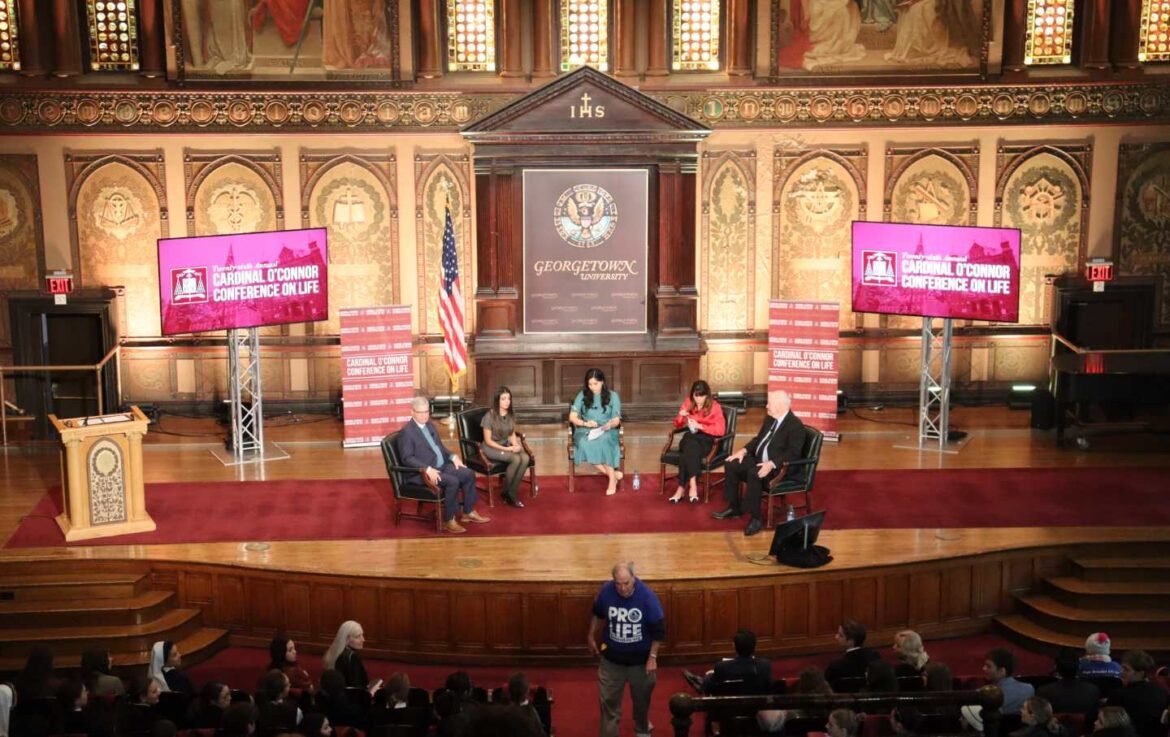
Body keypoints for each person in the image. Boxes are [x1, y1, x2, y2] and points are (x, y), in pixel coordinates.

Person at [712, 389, 805, 537]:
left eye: (769, 403)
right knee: (731, 463)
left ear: (780, 405)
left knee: (754, 473)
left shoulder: (795, 426)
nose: (766, 406)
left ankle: (756, 519)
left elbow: (793, 453)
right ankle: (734, 507)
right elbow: (758, 440)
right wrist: (743, 451)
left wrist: (772, 463)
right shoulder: (770, 418)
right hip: (759, 459)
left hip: (779, 468)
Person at [587, 561, 665, 737]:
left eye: (626, 583)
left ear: (634, 578)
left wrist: (652, 657)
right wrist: (590, 636)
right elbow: (597, 613)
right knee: (608, 704)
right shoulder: (606, 591)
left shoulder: (647, 597)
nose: (622, 588)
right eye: (618, 584)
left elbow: (659, 630)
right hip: (611, 661)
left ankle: (642, 729)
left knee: (641, 703)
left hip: (641, 663)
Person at [398, 396, 490, 534]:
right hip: (421, 473)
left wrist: (453, 457)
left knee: (468, 473)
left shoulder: (430, 426)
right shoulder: (407, 432)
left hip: (440, 466)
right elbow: (407, 458)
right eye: (420, 412)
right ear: (412, 412)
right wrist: (427, 469)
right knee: (453, 481)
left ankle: (468, 511)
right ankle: (449, 520)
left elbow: (440, 447)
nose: (424, 415)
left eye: (426, 412)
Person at [668, 380, 726, 504]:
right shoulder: (688, 402)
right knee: (690, 442)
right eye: (696, 395)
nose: (698, 399)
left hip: (707, 439)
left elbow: (720, 430)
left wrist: (700, 426)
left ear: (707, 395)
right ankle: (693, 484)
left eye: (701, 396)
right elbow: (677, 424)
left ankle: (681, 488)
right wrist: (681, 415)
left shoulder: (715, 407)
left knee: (687, 451)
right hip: (691, 437)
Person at [569, 368, 624, 496]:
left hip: (607, 430)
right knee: (584, 443)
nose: (593, 387)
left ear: (602, 382)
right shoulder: (582, 395)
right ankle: (613, 475)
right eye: (590, 384)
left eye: (596, 384)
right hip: (586, 430)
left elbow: (617, 420)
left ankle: (611, 481)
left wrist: (611, 424)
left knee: (603, 441)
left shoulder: (613, 396)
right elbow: (572, 417)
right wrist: (585, 423)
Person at [480, 385, 532, 508]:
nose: (507, 402)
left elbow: (511, 433)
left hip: (505, 445)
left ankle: (510, 492)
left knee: (525, 458)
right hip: (490, 448)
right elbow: (488, 441)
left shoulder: (510, 414)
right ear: (497, 400)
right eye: (503, 399)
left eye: (509, 398)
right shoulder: (489, 416)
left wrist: (515, 445)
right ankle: (509, 494)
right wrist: (507, 449)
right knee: (516, 459)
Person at [962, 648, 1034, 731]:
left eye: (988, 666)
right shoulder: (1029, 689)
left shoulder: (982, 694)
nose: (984, 668)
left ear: (1002, 671)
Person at [684, 628, 771, 695]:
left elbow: (711, 688)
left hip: (728, 708)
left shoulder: (722, 666)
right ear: (755, 646)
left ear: (734, 646)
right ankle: (701, 681)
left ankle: (701, 682)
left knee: (709, 680)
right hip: (755, 707)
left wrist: (710, 675)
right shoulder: (765, 665)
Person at [1107, 650, 1169, 737]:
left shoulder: (1118, 695)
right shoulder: (1161, 691)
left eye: (1126, 669)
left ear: (1140, 673)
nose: (1121, 672)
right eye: (1122, 668)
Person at [1038, 649, 1101, 721]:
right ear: (1079, 667)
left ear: (1056, 668)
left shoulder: (1044, 692)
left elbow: (1040, 718)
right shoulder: (1093, 690)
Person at [323, 621, 381, 694]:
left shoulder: (334, 653)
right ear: (347, 639)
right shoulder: (352, 657)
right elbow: (358, 688)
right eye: (358, 637)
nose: (363, 639)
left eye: (362, 635)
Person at [824, 619, 881, 686]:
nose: (836, 637)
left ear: (851, 641)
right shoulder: (875, 657)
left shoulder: (836, 666)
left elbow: (825, 685)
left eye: (840, 635)